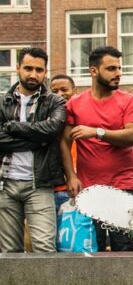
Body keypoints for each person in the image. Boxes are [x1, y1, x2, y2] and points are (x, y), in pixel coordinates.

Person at [61, 46, 133, 252]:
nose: (118, 73)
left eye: (119, 68)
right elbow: (64, 141)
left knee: (123, 249)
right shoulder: (75, 104)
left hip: (122, 186)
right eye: (111, 68)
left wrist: (97, 132)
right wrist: (71, 175)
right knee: (90, 248)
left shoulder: (129, 101)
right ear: (94, 71)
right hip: (89, 190)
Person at [0, 48, 66, 253]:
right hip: (6, 183)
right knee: (9, 252)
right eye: (28, 68)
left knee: (44, 249)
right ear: (18, 68)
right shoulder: (2, 102)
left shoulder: (55, 101)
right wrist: (37, 140)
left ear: (45, 72)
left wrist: (13, 128)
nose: (33, 74)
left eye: (39, 70)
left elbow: (53, 129)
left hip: (40, 183)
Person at [48, 74, 76, 225]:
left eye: (64, 89)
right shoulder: (46, 120)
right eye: (55, 91)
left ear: (73, 91)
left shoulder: (83, 117)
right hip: (53, 189)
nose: (60, 94)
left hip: (80, 188)